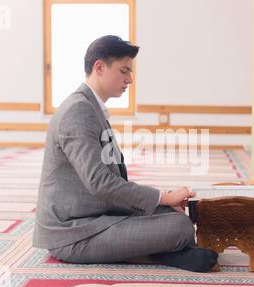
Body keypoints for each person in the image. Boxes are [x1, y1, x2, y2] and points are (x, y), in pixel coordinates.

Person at [33, 35, 218, 272]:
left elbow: (111, 182)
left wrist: (162, 201)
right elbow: (100, 183)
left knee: (170, 213)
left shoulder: (90, 107)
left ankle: (163, 251)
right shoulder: (78, 111)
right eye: (124, 71)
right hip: (73, 233)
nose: (129, 79)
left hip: (95, 214)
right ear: (99, 67)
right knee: (179, 227)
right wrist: (162, 196)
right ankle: (165, 252)